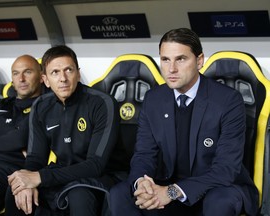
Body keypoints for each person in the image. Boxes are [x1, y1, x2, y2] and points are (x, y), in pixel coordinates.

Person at [110, 28, 259, 216]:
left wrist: (173, 192)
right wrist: (142, 183)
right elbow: (144, 154)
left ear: (199, 61)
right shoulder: (153, 99)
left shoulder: (228, 100)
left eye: (180, 59)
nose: (171, 69)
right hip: (167, 186)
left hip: (216, 187)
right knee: (120, 194)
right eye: (165, 60)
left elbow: (225, 170)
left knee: (220, 201)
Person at [5, 45, 119, 216]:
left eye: (68, 70)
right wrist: (26, 180)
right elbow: (36, 157)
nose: (63, 79)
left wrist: (39, 178)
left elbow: (96, 165)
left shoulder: (102, 103)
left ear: (78, 73)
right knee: (16, 192)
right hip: (62, 172)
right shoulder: (41, 105)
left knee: (78, 195)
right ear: (45, 79)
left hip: (102, 176)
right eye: (55, 73)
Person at [0, 55, 43, 215]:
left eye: (27, 72)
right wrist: (13, 138)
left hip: (4, 170)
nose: (21, 79)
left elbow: (19, 138)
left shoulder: (45, 106)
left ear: (41, 76)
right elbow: (16, 139)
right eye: (16, 73)